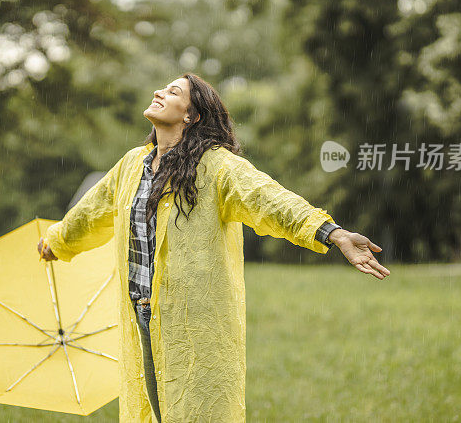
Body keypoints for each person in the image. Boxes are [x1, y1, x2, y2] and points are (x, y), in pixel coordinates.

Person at [37, 73, 390, 422]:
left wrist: (331, 232)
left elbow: (270, 201)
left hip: (193, 323)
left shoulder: (217, 166)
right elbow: (93, 210)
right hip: (139, 316)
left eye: (173, 91)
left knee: (197, 409)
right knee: (147, 412)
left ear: (192, 116)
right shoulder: (131, 165)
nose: (159, 91)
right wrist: (58, 240)